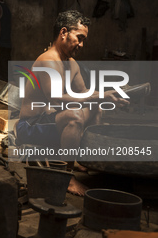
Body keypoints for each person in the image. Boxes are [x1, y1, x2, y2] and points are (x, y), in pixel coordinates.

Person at [17, 10, 129, 196]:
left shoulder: (71, 63)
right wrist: (98, 96)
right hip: (29, 126)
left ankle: (85, 160)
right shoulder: (48, 61)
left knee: (95, 108)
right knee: (74, 116)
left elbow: (84, 93)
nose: (82, 44)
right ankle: (66, 177)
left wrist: (111, 96)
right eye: (79, 37)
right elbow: (55, 97)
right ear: (63, 33)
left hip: (49, 121)